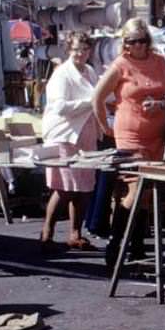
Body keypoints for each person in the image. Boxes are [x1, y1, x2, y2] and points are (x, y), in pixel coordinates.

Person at [92, 18, 165, 269]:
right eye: (132, 42)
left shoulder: (160, 61)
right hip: (129, 134)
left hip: (156, 133)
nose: (138, 46)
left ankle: (137, 246)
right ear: (125, 43)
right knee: (134, 189)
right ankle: (115, 244)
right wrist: (104, 127)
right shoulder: (121, 65)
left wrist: (161, 104)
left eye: (142, 41)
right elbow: (96, 97)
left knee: (147, 191)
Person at [40, 32, 98, 252]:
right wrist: (90, 102)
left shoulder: (91, 71)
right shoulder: (61, 75)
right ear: (68, 51)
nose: (80, 54)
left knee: (83, 188)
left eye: (84, 49)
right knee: (64, 187)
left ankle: (76, 233)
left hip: (86, 134)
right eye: (76, 50)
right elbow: (60, 107)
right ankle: (47, 231)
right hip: (64, 134)